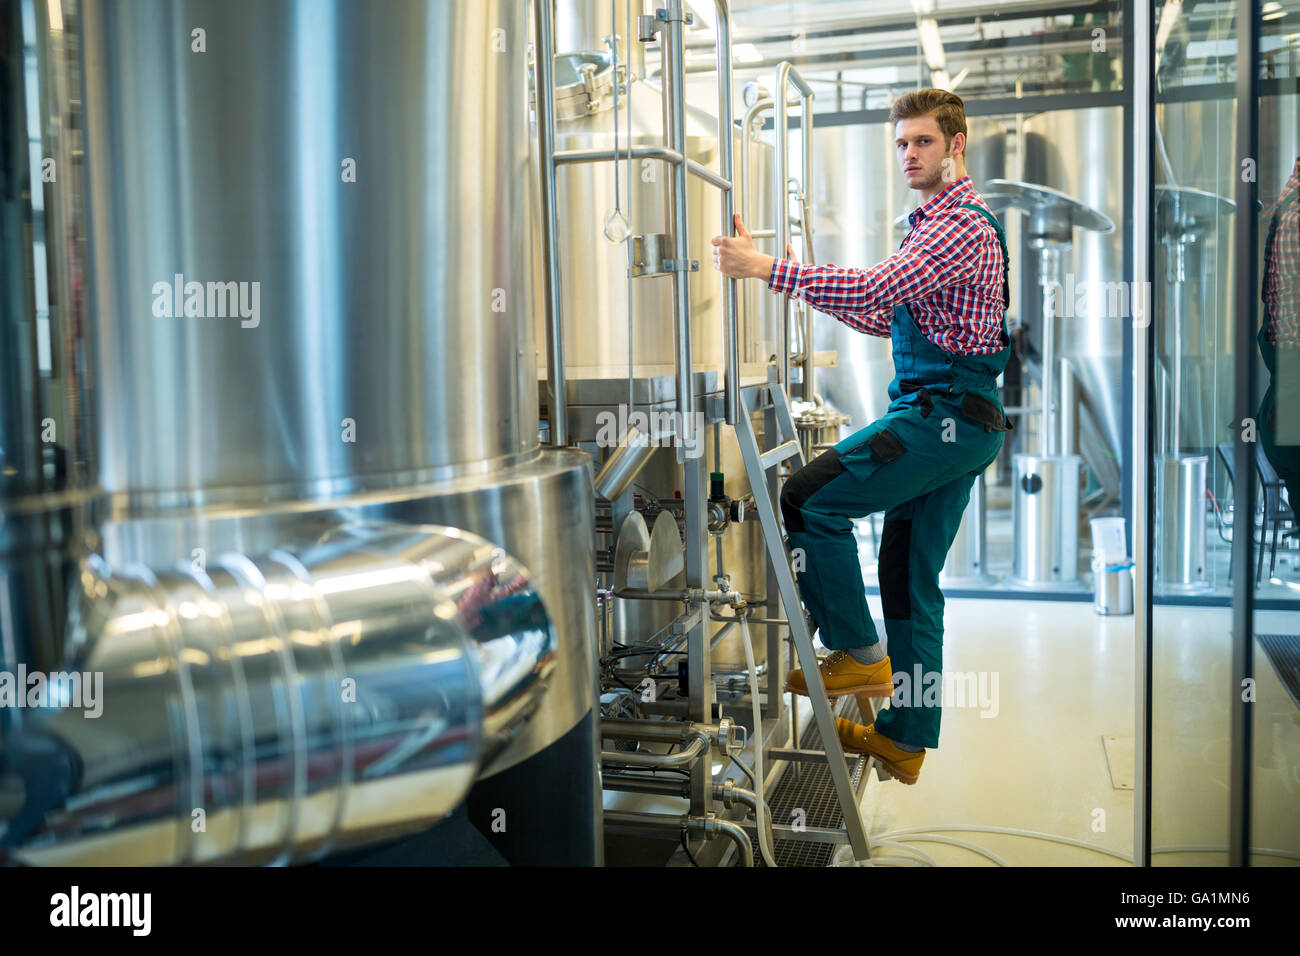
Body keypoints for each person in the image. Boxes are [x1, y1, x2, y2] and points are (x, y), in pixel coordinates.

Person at [710, 88, 1012, 784]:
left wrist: (765, 270)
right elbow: (887, 318)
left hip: (943, 418)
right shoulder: (928, 225)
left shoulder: (957, 224)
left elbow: (878, 290)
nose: (909, 154)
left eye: (923, 142)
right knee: (908, 580)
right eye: (902, 143)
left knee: (810, 498)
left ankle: (856, 653)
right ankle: (906, 737)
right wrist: (797, 283)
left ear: (956, 144)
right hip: (961, 421)